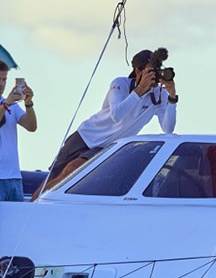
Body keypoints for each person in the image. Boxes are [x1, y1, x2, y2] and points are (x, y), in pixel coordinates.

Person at [46, 48, 178, 187]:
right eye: (150, 71)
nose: (154, 76)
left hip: (106, 147)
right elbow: (117, 115)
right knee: (50, 180)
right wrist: (140, 89)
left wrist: (172, 97)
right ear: (138, 71)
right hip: (85, 135)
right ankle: (32, 205)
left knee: (72, 171)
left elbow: (168, 129)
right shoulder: (120, 84)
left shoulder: (159, 95)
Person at [0, 63, 37, 201]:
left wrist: (28, 103)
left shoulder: (11, 105)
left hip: (14, 176)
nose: (2, 84)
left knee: (19, 222)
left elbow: (31, 126)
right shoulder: (8, 104)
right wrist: (6, 104)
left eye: (4, 79)